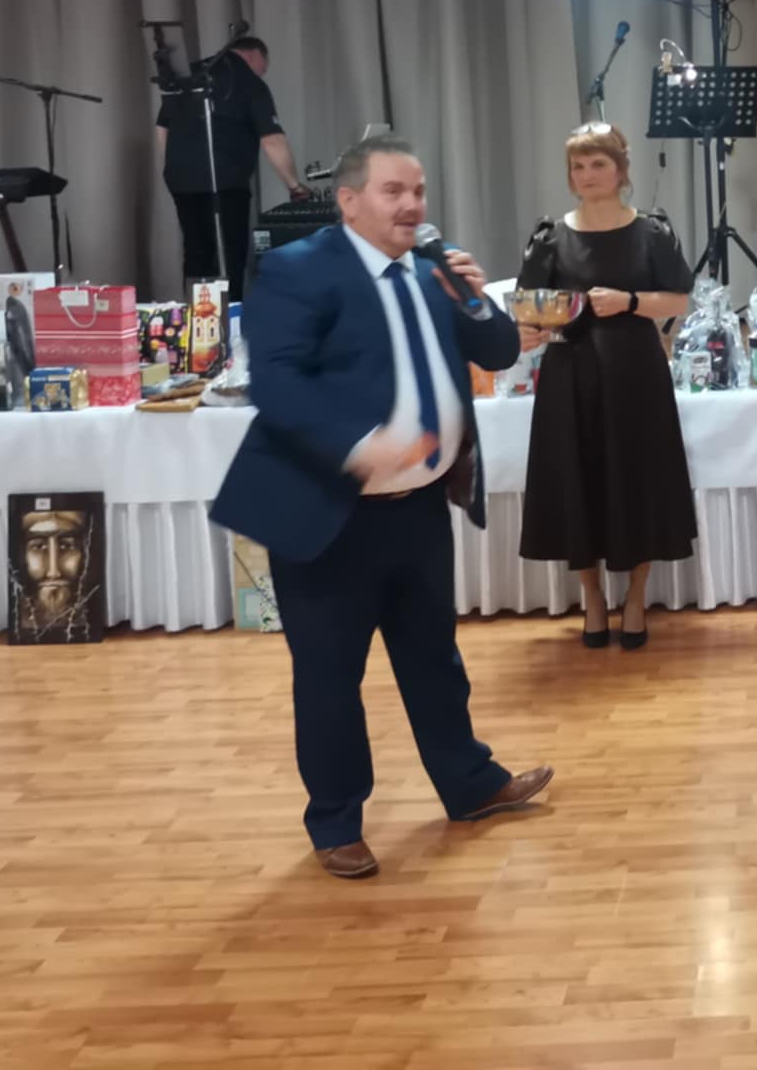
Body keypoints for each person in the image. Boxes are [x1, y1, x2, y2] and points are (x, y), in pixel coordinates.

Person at [209, 134, 551, 881]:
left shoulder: (435, 267)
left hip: (420, 506)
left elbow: (499, 351)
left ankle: (469, 784)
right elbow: (277, 383)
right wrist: (358, 447)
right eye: (394, 191)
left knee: (434, 658)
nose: (412, 205)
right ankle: (336, 823)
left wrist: (474, 296)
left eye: (418, 191)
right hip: (329, 512)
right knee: (330, 676)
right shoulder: (297, 269)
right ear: (349, 200)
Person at [516, 123, 697, 650]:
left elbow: (679, 300)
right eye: (578, 166)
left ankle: (635, 598)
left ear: (621, 170)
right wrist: (531, 328)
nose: (587, 174)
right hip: (569, 377)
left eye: (598, 164)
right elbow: (529, 309)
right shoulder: (551, 236)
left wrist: (630, 302)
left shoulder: (652, 232)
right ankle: (592, 598)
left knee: (639, 482)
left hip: (636, 376)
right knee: (578, 483)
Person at [154, 36, 308, 299]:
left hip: (181, 180)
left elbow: (162, 128)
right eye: (263, 67)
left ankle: (198, 317)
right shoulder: (249, 82)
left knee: (196, 252)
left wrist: (174, 166)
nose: (262, 73)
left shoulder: (190, 76)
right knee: (230, 254)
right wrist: (294, 185)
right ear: (254, 55)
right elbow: (272, 139)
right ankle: (230, 314)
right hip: (225, 181)